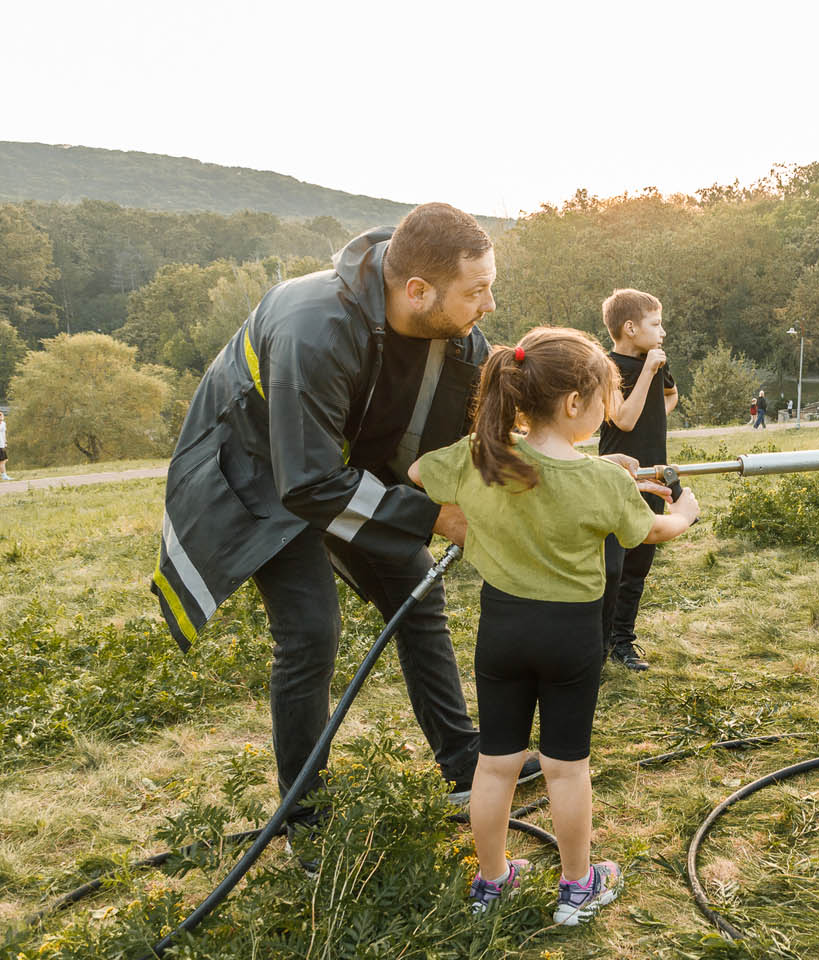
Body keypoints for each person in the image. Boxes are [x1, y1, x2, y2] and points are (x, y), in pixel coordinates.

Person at [151, 203, 532, 818]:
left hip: (342, 471)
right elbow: (307, 484)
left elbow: (471, 432)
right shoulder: (313, 326)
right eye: (478, 290)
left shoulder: (452, 333)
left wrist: (544, 473)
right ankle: (304, 813)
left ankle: (463, 761)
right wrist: (436, 517)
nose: (488, 305)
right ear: (416, 290)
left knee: (418, 595)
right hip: (264, 477)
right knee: (309, 634)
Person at [411, 326, 700, 922]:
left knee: (496, 764)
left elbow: (418, 474)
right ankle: (577, 888)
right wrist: (687, 513)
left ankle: (491, 884)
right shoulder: (602, 481)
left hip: (502, 631)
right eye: (602, 402)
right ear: (576, 405)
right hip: (570, 637)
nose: (604, 414)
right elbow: (651, 530)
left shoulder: (480, 454)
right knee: (568, 768)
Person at [597, 289, 678, 672]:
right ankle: (595, 644)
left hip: (654, 472)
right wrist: (647, 372)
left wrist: (654, 406)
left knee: (638, 565)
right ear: (630, 328)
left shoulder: (657, 363)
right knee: (611, 566)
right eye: (656, 324)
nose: (662, 332)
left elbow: (671, 396)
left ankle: (622, 643)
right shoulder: (604, 369)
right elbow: (623, 420)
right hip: (616, 476)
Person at [0, 410, 10, 480]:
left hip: (1, 444)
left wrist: (5, 442)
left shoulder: (3, 423)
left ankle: (4, 475)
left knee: (4, 460)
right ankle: (4, 476)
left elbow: (4, 434)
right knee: (2, 461)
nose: (1, 416)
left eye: (1, 415)